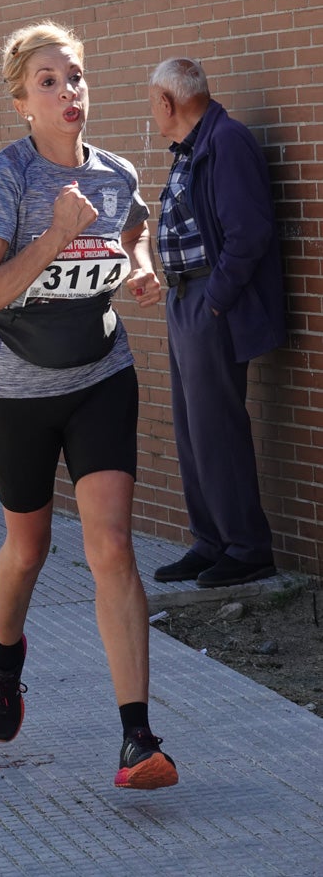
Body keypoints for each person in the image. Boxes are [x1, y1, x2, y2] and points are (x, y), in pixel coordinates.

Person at [0, 21, 178, 791]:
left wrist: (142, 271)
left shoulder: (114, 173)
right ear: (22, 101)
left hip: (99, 377)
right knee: (28, 549)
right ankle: (5, 658)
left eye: (76, 77)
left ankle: (136, 739)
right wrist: (54, 235)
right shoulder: (5, 179)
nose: (68, 92)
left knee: (111, 547)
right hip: (16, 392)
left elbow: (135, 231)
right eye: (48, 82)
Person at [149, 59, 286, 589]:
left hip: (210, 301)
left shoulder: (226, 141)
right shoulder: (194, 146)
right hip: (186, 298)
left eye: (152, 102)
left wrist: (214, 302)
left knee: (218, 429)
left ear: (167, 101)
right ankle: (211, 542)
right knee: (192, 430)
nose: (152, 113)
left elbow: (249, 232)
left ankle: (248, 549)